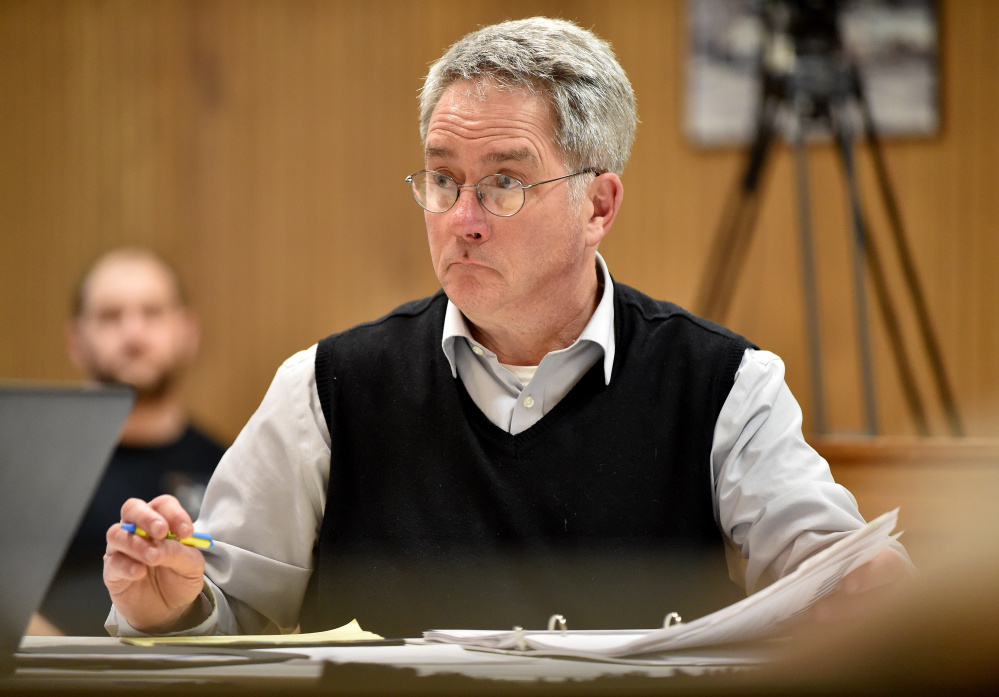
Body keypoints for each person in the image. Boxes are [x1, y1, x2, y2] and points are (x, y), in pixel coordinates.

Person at [102, 17, 909, 639]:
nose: (461, 220)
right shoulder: (325, 387)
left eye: (503, 183)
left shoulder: (724, 384)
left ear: (597, 204)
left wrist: (869, 588)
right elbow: (229, 612)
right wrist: (172, 607)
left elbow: (829, 569)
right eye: (442, 179)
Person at [36, 248, 226, 635]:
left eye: (152, 313)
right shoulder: (25, 469)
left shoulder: (231, 470)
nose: (133, 334)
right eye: (110, 316)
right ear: (76, 340)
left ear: (188, 332)